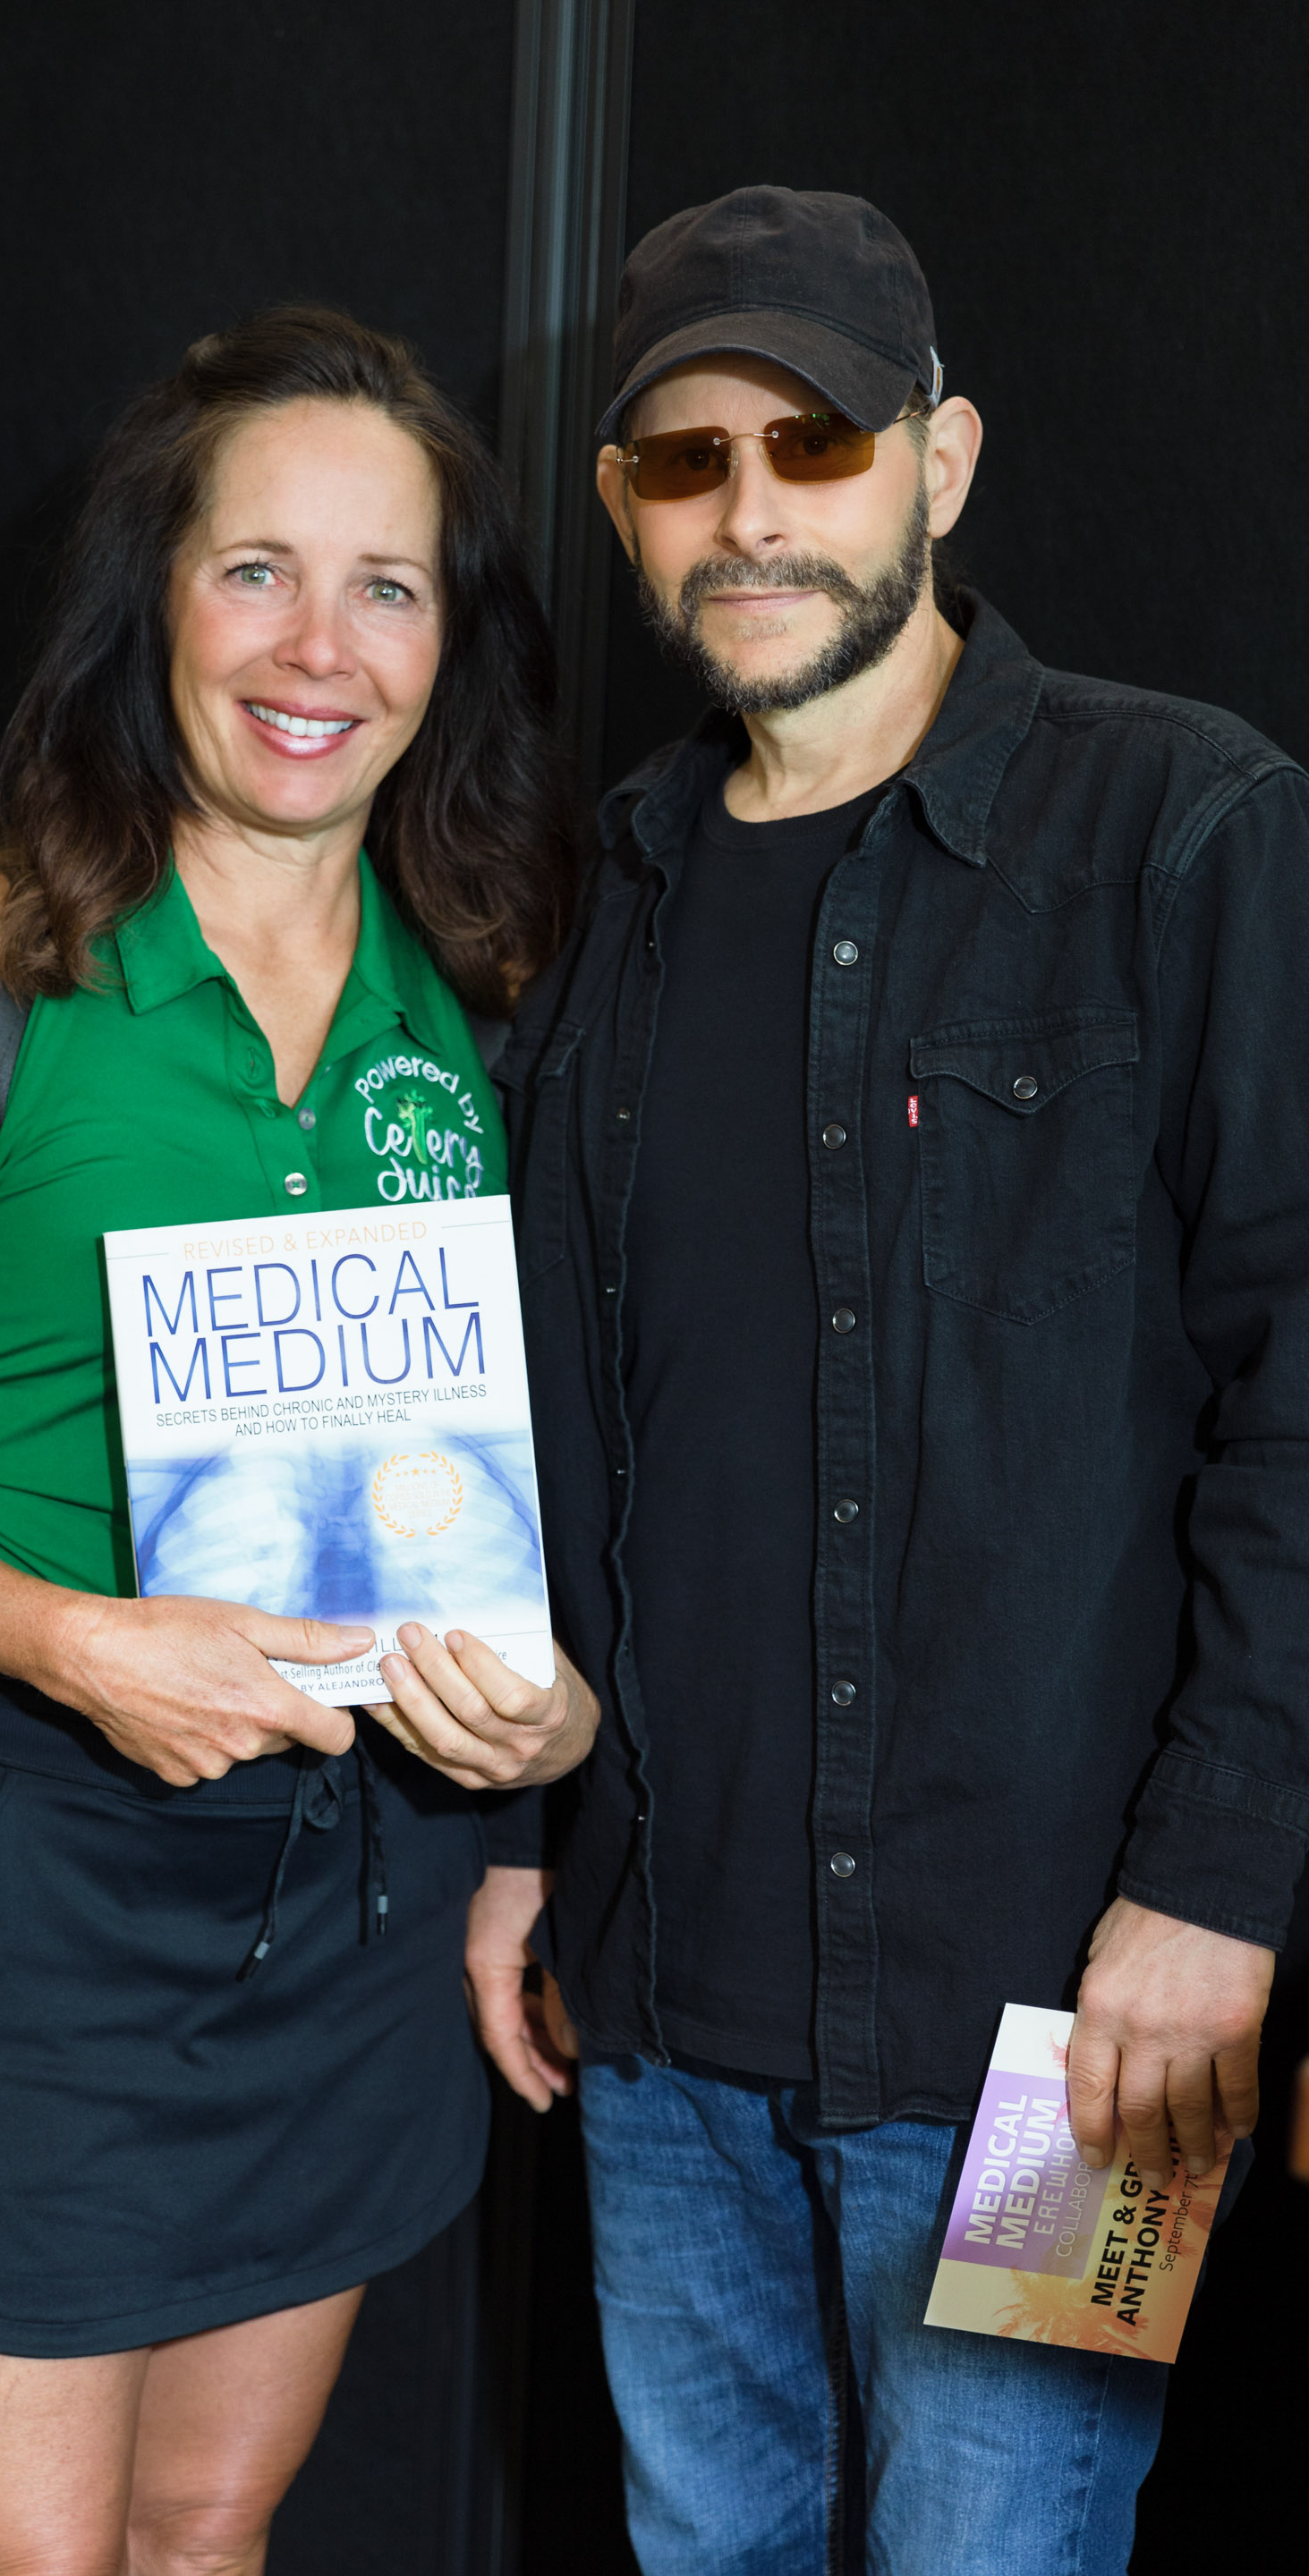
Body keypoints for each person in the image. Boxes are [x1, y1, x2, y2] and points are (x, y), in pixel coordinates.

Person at [0, 305, 598, 2576]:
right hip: (22, 1883)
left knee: (206, 2531)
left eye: (387, 587)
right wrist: (80, 1643)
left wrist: (533, 1748)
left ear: (448, 644)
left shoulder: (483, 995)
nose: (320, 648)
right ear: (154, 599)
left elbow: (531, 1470)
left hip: (351, 1895)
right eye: (255, 570)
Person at [468, 183, 1305, 2570]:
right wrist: (522, 1850)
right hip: (654, 2026)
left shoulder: (1191, 830)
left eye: (815, 442)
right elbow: (558, 1431)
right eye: (684, 459)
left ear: (941, 461)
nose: (749, 511)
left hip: (1082, 2048)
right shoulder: (599, 903)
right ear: (624, 506)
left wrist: (1223, 1891)